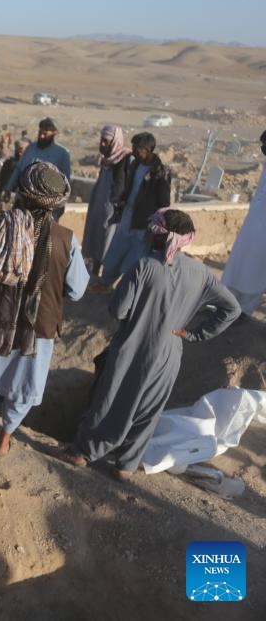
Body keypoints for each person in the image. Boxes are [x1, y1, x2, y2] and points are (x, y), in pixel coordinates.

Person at [61, 209, 240, 479]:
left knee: (111, 401)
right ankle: (126, 466)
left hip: (133, 349)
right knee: (148, 410)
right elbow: (232, 308)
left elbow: (119, 311)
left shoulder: (143, 266)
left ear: (159, 236)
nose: (147, 233)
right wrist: (195, 334)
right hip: (169, 354)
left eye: (151, 229)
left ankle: (83, 452)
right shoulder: (200, 273)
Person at [0, 162, 89, 456]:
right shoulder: (66, 239)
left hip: (0, 315)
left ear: (24, 193)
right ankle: (4, 436)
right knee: (26, 381)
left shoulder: (4, 225)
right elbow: (76, 289)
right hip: (40, 323)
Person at [96, 132, 172, 288]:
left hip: (143, 224)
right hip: (127, 218)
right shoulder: (134, 165)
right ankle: (104, 284)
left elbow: (164, 203)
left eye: (137, 148)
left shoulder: (161, 172)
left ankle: (124, 290)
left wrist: (158, 225)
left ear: (147, 150)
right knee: (115, 253)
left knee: (134, 260)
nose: (133, 151)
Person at [222, 130, 266, 315]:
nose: (263, 149)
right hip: (252, 229)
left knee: (255, 274)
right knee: (237, 270)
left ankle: (244, 312)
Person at [82, 125, 130, 276]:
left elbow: (123, 186)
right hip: (99, 203)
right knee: (95, 233)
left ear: (115, 141)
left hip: (112, 208)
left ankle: (103, 273)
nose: (102, 144)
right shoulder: (107, 159)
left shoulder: (125, 158)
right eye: (101, 140)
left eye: (106, 141)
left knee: (107, 238)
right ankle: (94, 270)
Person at [4, 118, 71, 194]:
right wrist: (8, 188)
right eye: (40, 133)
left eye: (45, 134)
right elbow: (18, 170)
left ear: (54, 133)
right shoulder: (30, 149)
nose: (41, 136)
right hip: (24, 198)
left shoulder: (62, 153)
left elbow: (65, 182)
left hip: (48, 201)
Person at [0, 138, 30, 210]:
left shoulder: (29, 164)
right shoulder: (10, 163)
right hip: (9, 197)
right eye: (19, 149)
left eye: (22, 150)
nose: (21, 152)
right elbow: (1, 181)